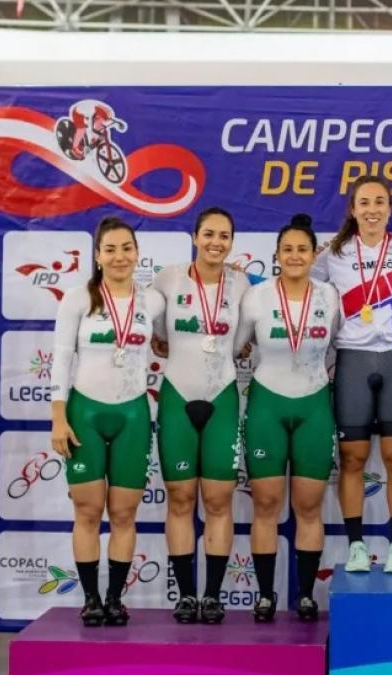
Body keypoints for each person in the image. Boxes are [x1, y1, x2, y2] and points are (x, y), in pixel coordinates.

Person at [50, 216, 165, 627]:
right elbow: (61, 358)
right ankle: (90, 598)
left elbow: (171, 340)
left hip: (133, 413)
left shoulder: (152, 301)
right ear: (98, 255)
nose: (119, 256)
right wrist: (58, 416)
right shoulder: (78, 298)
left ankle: (115, 598)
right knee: (87, 509)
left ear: (137, 254)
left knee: (123, 512)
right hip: (85, 413)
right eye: (111, 249)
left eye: (127, 248)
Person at [313, 176, 392, 574]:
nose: (372, 209)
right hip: (353, 361)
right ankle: (356, 546)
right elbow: (304, 295)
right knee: (352, 458)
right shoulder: (334, 254)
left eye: (380, 202)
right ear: (353, 209)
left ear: (390, 209)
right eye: (364, 203)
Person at [237, 214, 339, 622]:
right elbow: (236, 345)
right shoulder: (257, 298)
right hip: (267, 405)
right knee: (266, 503)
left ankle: (305, 595)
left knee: (309, 505)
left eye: (303, 249)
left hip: (314, 404)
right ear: (276, 255)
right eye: (288, 250)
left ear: (314, 255)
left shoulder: (329, 296)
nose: (295, 256)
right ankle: (264, 595)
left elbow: (336, 348)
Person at [152, 207, 251, 624]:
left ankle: (212, 596)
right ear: (195, 237)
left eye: (224, 236)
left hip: (222, 396)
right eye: (209, 234)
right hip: (177, 394)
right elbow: (154, 333)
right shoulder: (168, 279)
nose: (216, 242)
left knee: (217, 499)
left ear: (231, 241)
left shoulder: (241, 283)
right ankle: (186, 596)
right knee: (179, 499)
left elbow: (243, 339)